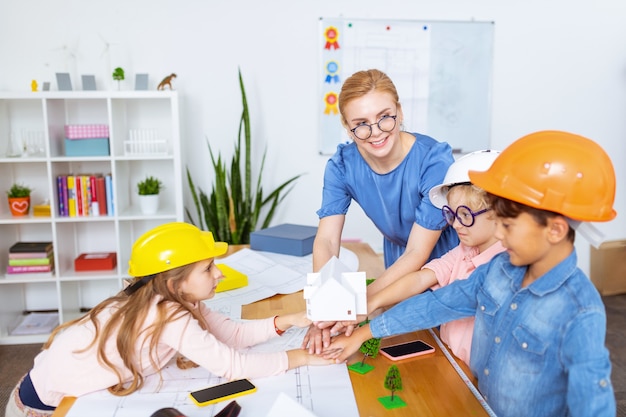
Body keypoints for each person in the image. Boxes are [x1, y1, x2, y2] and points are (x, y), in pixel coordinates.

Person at [323, 131, 617, 417]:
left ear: (555, 230)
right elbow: (436, 305)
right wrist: (364, 332)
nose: (500, 235)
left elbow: (592, 403)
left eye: (508, 226)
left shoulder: (580, 311)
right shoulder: (499, 270)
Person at [6, 222, 333, 417]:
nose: (218, 274)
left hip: (40, 384)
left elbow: (230, 334)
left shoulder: (170, 297)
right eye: (208, 269)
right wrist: (301, 356)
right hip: (38, 407)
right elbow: (233, 366)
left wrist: (289, 319)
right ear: (175, 283)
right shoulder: (168, 312)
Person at [305, 69, 459, 352]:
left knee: (448, 347)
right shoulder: (341, 165)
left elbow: (418, 252)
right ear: (346, 125)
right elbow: (326, 241)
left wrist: (356, 304)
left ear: (399, 112)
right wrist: (324, 309)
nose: (376, 132)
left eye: (384, 117)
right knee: (407, 343)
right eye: (361, 124)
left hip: (447, 261)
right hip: (398, 262)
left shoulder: (433, 160)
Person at [361, 149, 506, 366]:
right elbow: (421, 278)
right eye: (452, 214)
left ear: (500, 212)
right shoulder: (464, 250)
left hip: (480, 378)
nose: (456, 225)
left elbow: (437, 305)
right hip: (452, 362)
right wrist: (370, 302)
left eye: (465, 215)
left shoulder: (506, 267)